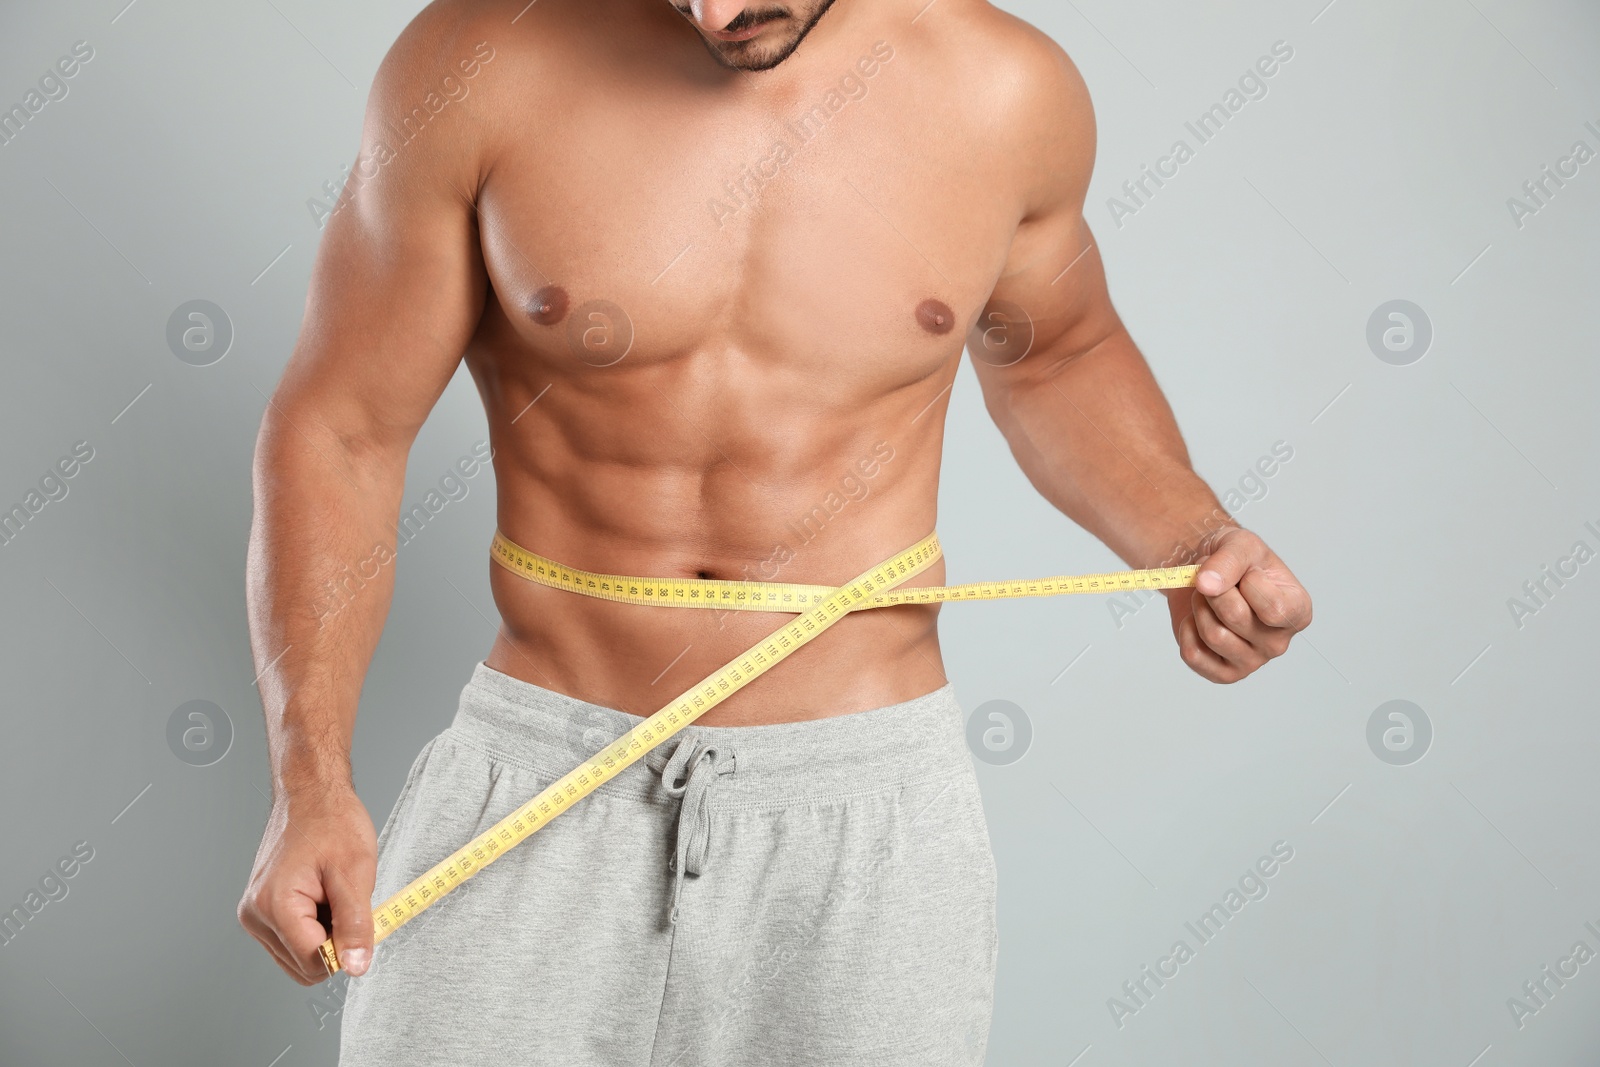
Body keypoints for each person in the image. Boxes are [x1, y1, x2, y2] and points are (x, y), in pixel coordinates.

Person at [237, 0, 1312, 1062]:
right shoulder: (477, 62)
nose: (718, 9)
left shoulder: (1002, 90)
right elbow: (342, 428)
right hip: (542, 768)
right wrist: (309, 780)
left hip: (863, 814)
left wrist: (1188, 534)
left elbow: (1056, 355)